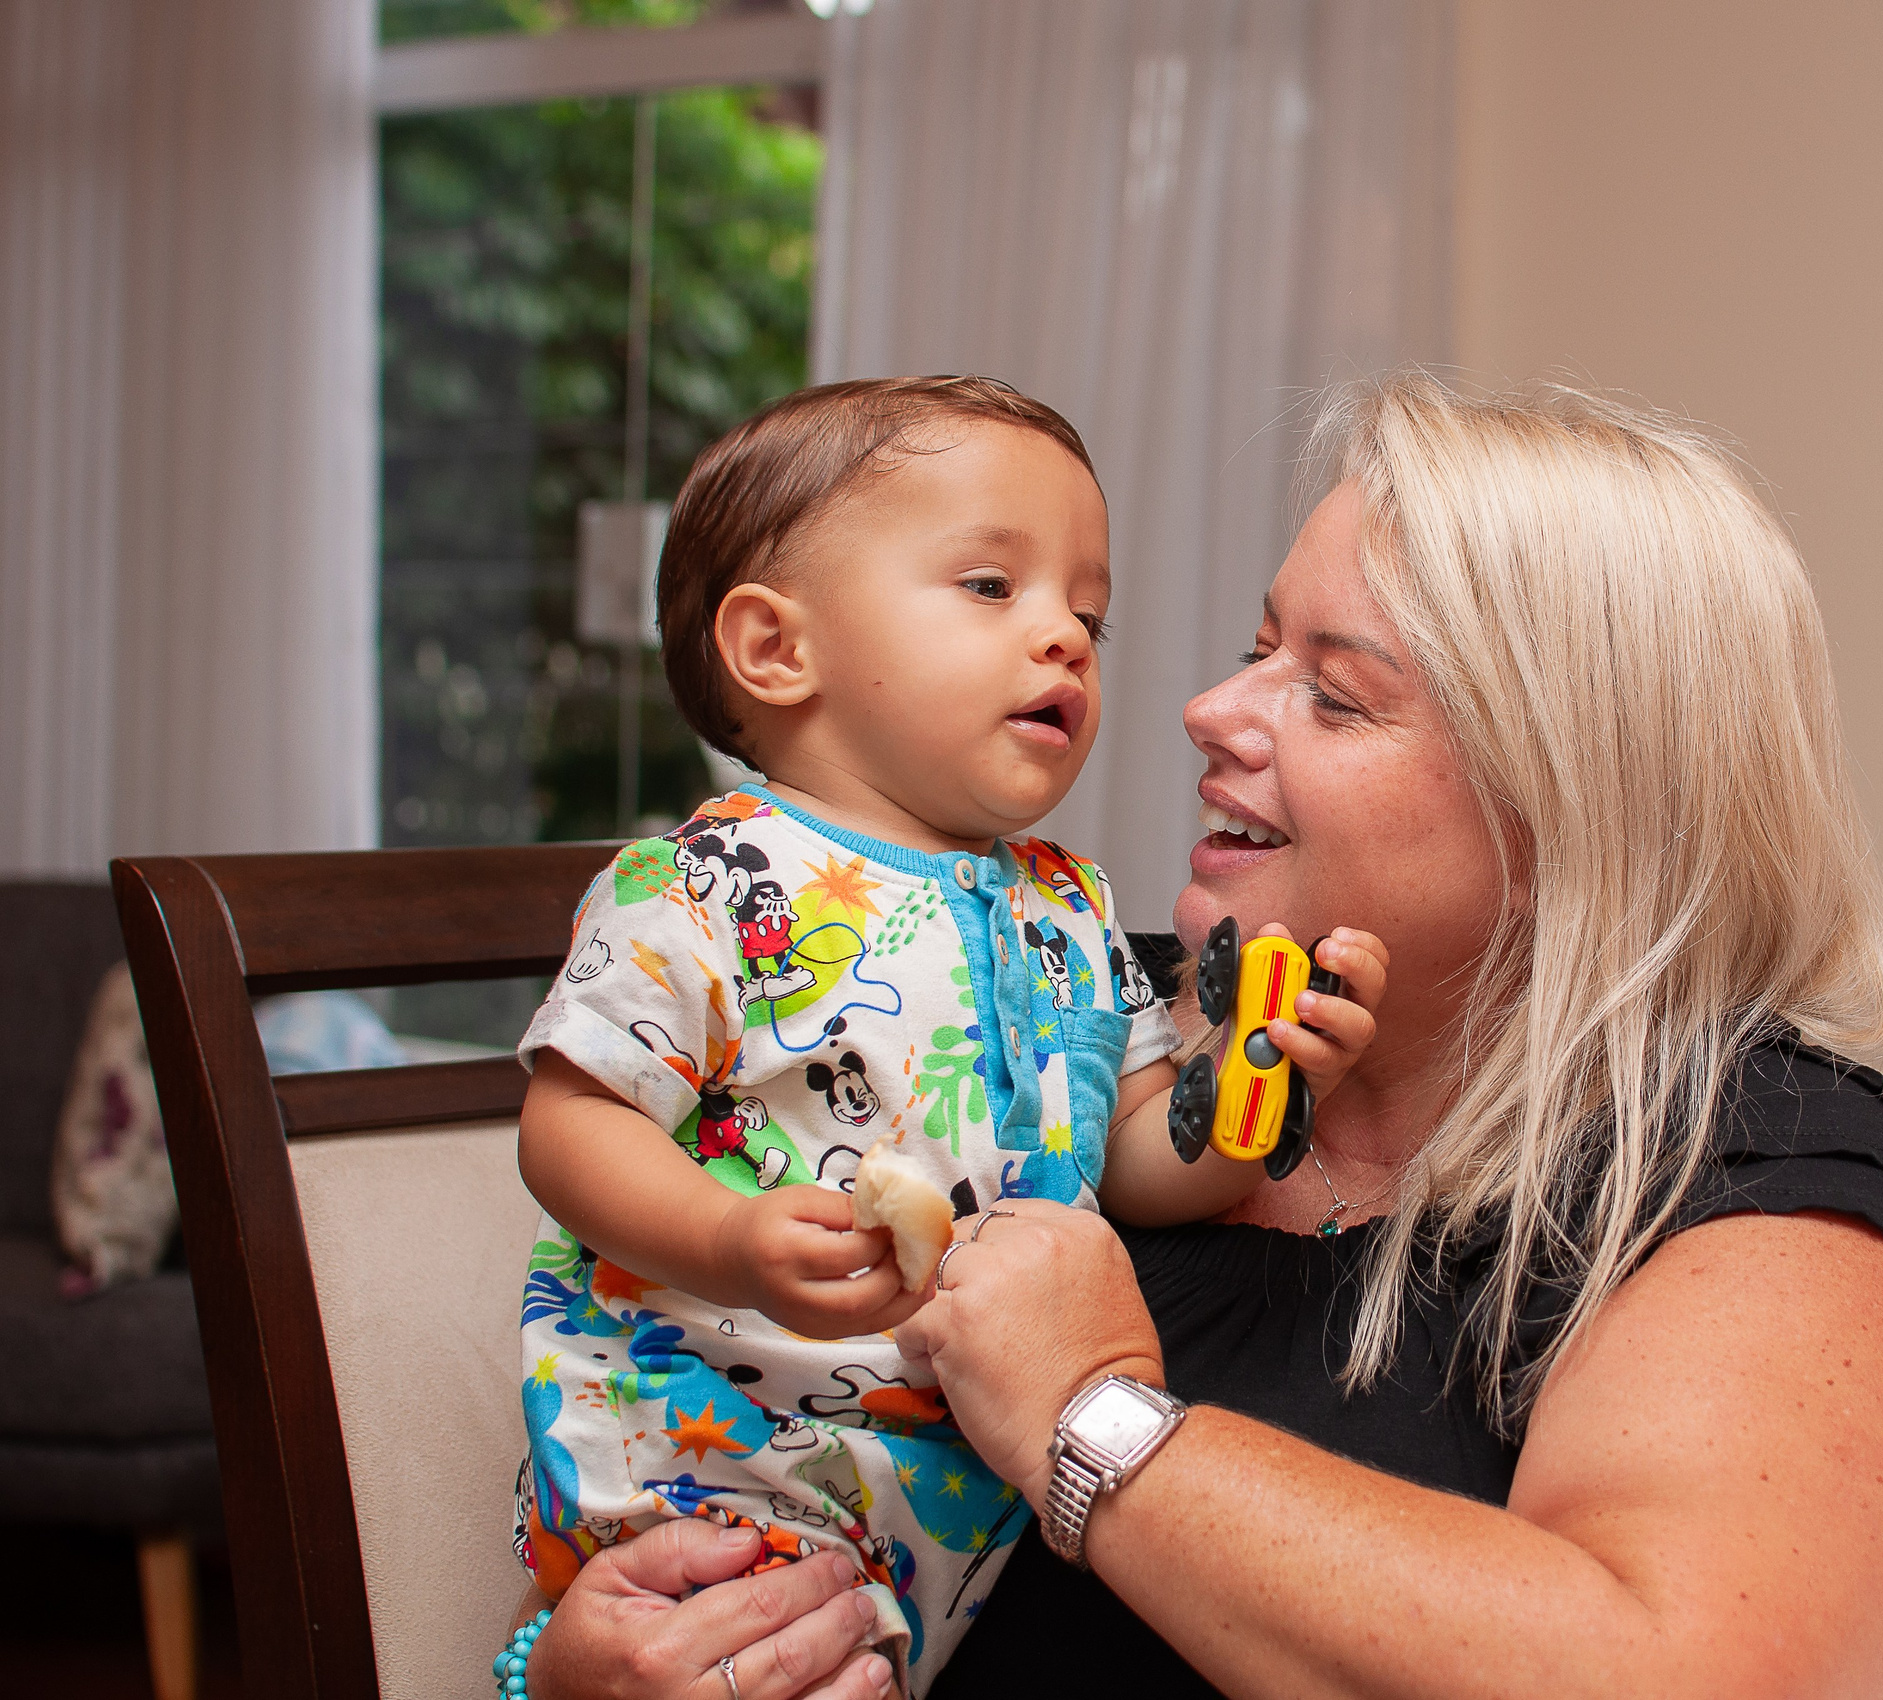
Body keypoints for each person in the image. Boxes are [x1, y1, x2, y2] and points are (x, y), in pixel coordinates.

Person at [535, 372, 1883, 1700]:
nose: (1207, 707)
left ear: (1569, 808)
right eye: (1254, 647)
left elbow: (1678, 1675)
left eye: (1332, 694)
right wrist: (592, 1668)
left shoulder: (1753, 1179)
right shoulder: (1050, 1014)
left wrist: (1093, 1419)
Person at [506, 376, 1388, 1696]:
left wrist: (1244, 1097)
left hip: (952, 1500)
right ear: (775, 649)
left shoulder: (1068, 905)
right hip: (713, 1461)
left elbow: (1127, 1154)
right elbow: (571, 1124)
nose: (1065, 638)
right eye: (991, 586)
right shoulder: (701, 884)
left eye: (1088, 613)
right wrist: (729, 1241)